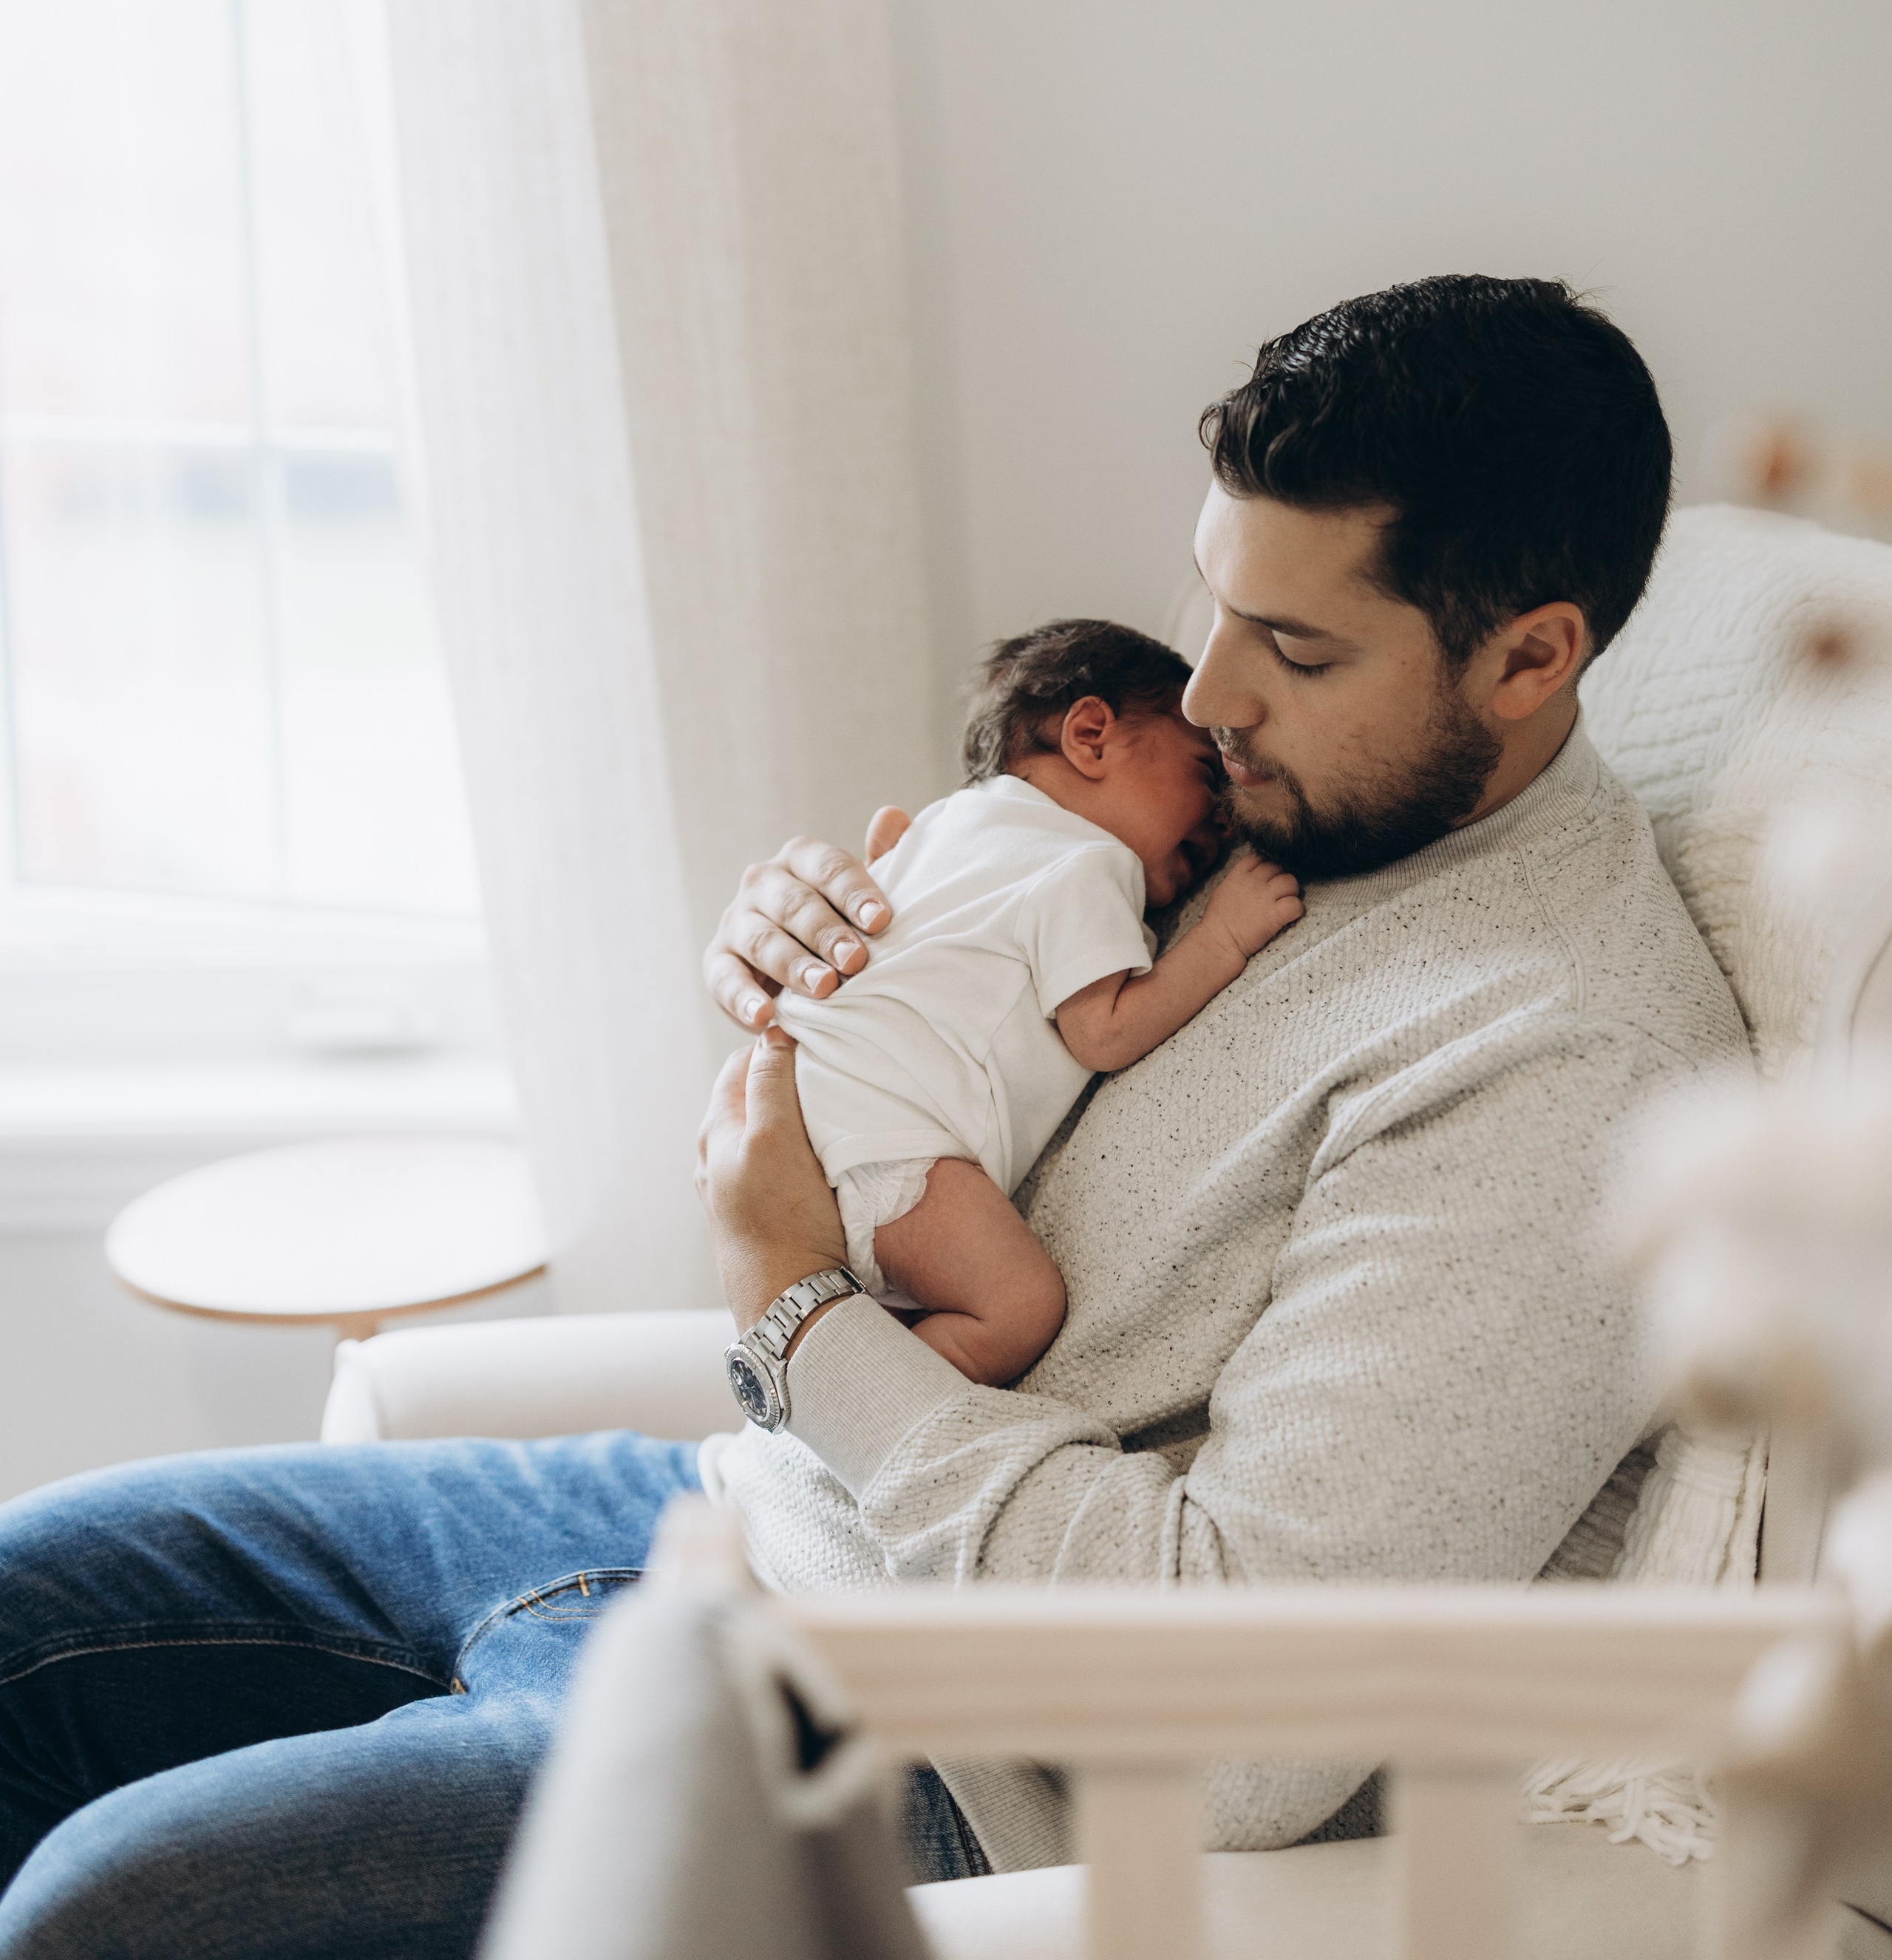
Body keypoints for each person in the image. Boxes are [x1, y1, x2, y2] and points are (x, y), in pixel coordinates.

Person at [0, 276, 1747, 1955]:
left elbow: (1247, 1720)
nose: (1206, 695)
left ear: (1525, 658)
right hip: (719, 1509)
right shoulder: (1290, 802)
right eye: (1211, 601)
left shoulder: (1562, 1062)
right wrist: (828, 954)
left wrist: (792, 1300)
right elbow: (991, 1005)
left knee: (104, 1904)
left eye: (1288, 644)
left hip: (916, 1741)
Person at [777, 619, 1302, 1381]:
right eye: (1202, 768)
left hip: (814, 1098)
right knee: (1017, 1310)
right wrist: (1221, 937)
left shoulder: (947, 823)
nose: (1223, 821)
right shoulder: (1086, 860)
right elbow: (1104, 1032)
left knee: (904, 1305)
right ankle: (842, 1397)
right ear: (1090, 734)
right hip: (892, 1138)